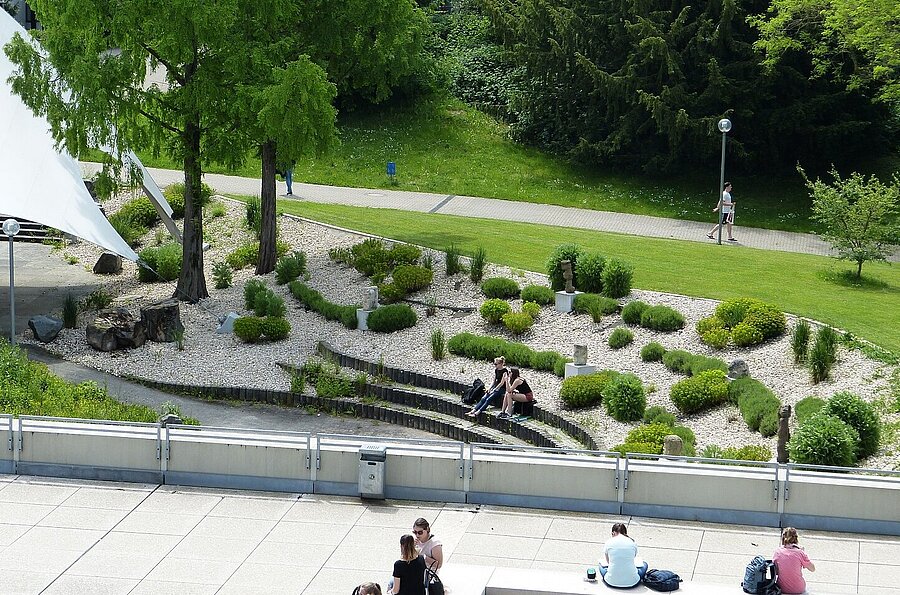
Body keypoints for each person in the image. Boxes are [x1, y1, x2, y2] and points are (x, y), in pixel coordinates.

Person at [599, 522, 648, 589]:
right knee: (645, 564)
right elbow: (633, 558)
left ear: (613, 533)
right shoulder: (632, 542)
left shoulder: (609, 542)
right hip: (633, 582)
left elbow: (608, 562)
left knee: (600, 565)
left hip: (611, 581)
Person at [773, 527, 815, 594]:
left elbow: (776, 572)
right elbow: (812, 569)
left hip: (782, 588)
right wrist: (803, 554)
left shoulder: (778, 552)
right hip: (798, 589)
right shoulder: (800, 553)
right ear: (796, 538)